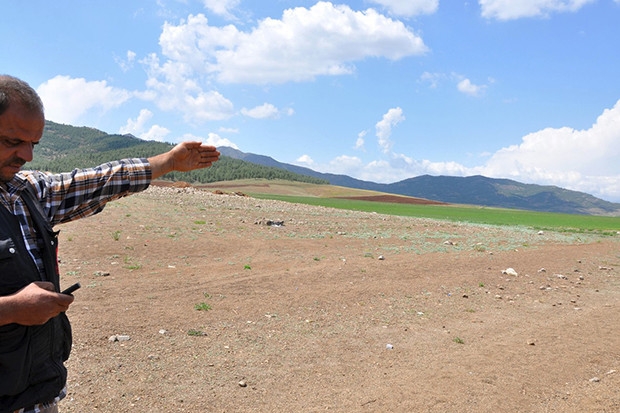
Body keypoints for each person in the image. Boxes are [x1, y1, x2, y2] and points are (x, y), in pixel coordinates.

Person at [0, 75, 220, 413]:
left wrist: (169, 163)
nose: (27, 155)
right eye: (14, 141)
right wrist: (13, 308)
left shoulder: (24, 191)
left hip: (33, 394)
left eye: (34, 144)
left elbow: (98, 180)